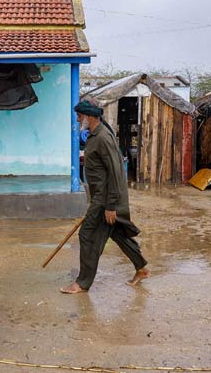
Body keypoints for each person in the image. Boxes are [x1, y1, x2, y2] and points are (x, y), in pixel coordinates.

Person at [61, 99, 149, 294]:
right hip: (102, 198)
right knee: (116, 233)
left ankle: (83, 283)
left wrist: (110, 206)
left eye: (80, 115)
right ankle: (141, 268)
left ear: (90, 116)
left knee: (88, 235)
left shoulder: (103, 138)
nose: (78, 119)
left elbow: (116, 173)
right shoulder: (95, 135)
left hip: (105, 200)